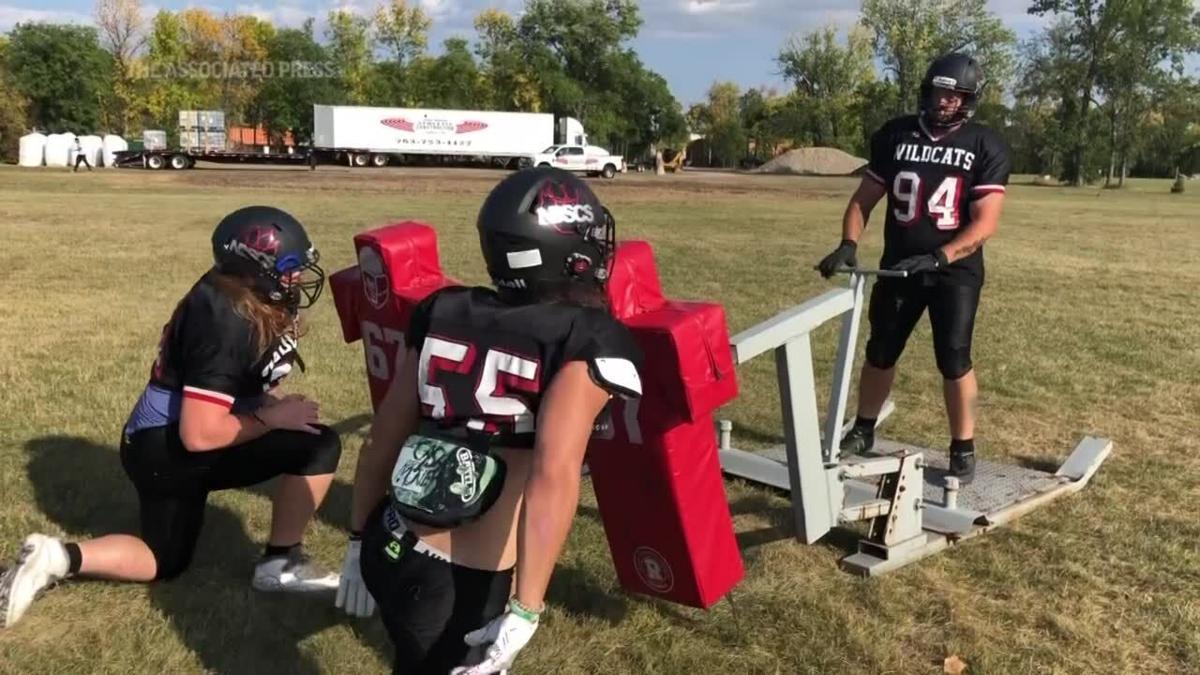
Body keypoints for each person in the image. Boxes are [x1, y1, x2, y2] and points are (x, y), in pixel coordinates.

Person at [334, 167, 644, 675]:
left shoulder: (443, 308)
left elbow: (381, 438)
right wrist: (526, 606)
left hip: (386, 538)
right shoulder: (587, 335)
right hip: (457, 581)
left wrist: (354, 540)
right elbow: (553, 473)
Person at [1, 206, 343, 630]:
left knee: (166, 559)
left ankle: (54, 558)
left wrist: (263, 403)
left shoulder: (237, 293)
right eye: (288, 268)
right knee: (317, 444)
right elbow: (200, 434)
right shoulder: (227, 320)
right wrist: (273, 419)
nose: (297, 278)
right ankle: (280, 565)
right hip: (169, 446)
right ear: (251, 267)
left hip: (158, 443)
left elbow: (232, 383)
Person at [818, 52, 1012, 483]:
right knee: (881, 349)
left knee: (954, 356)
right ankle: (863, 428)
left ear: (968, 99)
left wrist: (941, 256)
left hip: (954, 271)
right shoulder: (896, 135)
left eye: (954, 95)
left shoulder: (985, 144)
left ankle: (963, 447)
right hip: (900, 265)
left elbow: (986, 223)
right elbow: (862, 201)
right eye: (939, 92)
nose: (944, 102)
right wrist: (849, 243)